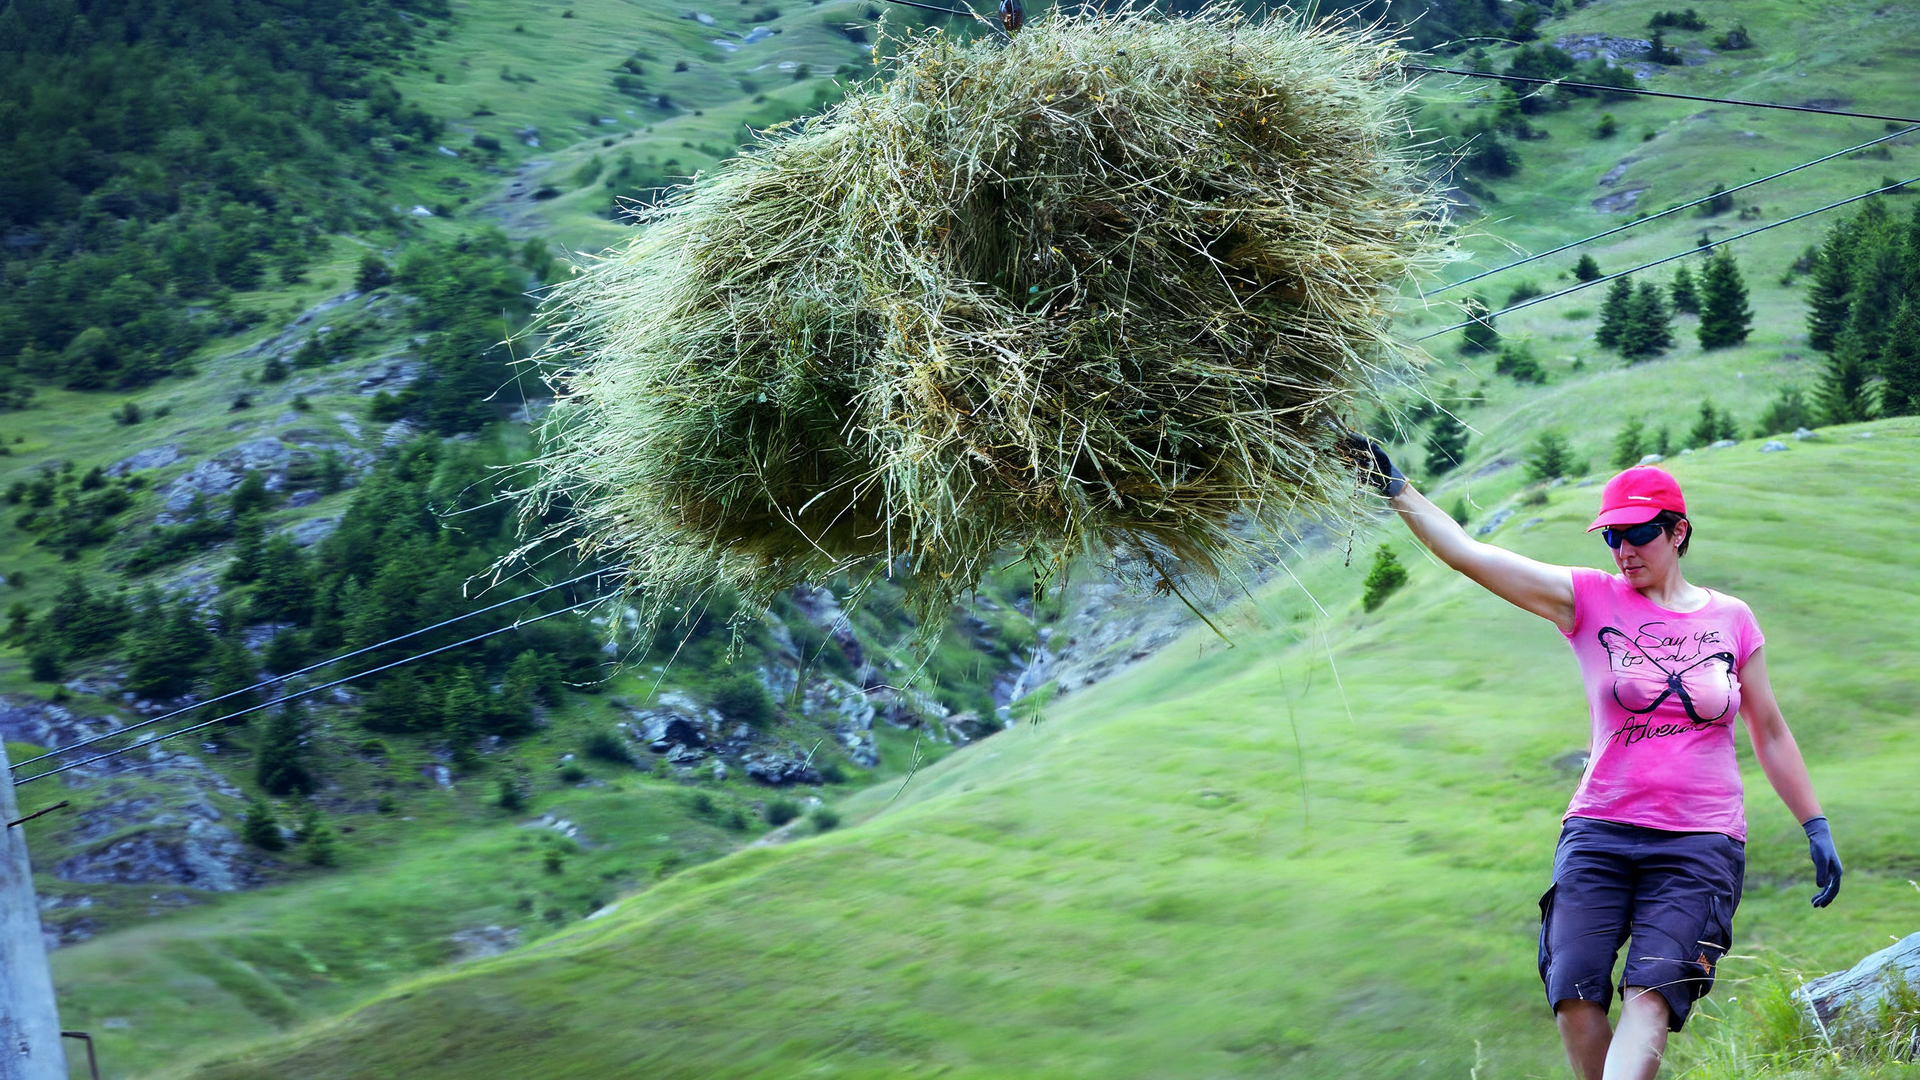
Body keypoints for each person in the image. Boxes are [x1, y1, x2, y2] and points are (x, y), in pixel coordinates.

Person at [1344, 437, 1843, 1080]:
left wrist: (1814, 823)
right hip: (1599, 829)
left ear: (1677, 531)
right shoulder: (1587, 598)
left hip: (1700, 839)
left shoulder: (1733, 619)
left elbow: (1769, 729)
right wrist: (1397, 489)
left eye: (1639, 534)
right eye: (1612, 536)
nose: (1623, 549)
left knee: (1652, 993)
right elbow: (1469, 553)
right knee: (1574, 992)